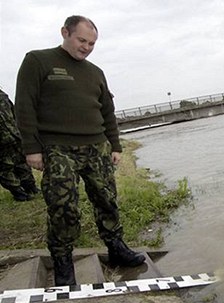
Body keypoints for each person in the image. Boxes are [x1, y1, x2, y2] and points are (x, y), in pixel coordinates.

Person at [15, 15, 145, 286]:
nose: (86, 47)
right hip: (57, 148)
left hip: (97, 145)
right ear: (65, 32)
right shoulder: (37, 61)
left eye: (92, 43)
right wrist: (31, 149)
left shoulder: (95, 72)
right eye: (81, 40)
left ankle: (117, 248)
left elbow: (107, 111)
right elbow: (24, 106)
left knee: (106, 199)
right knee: (63, 206)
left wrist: (115, 145)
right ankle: (63, 263)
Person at [0, 88, 39, 201]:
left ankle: (30, 187)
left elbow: (14, 112)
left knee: (22, 162)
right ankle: (18, 192)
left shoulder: (2, 95)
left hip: (15, 136)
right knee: (5, 167)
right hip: (1, 142)